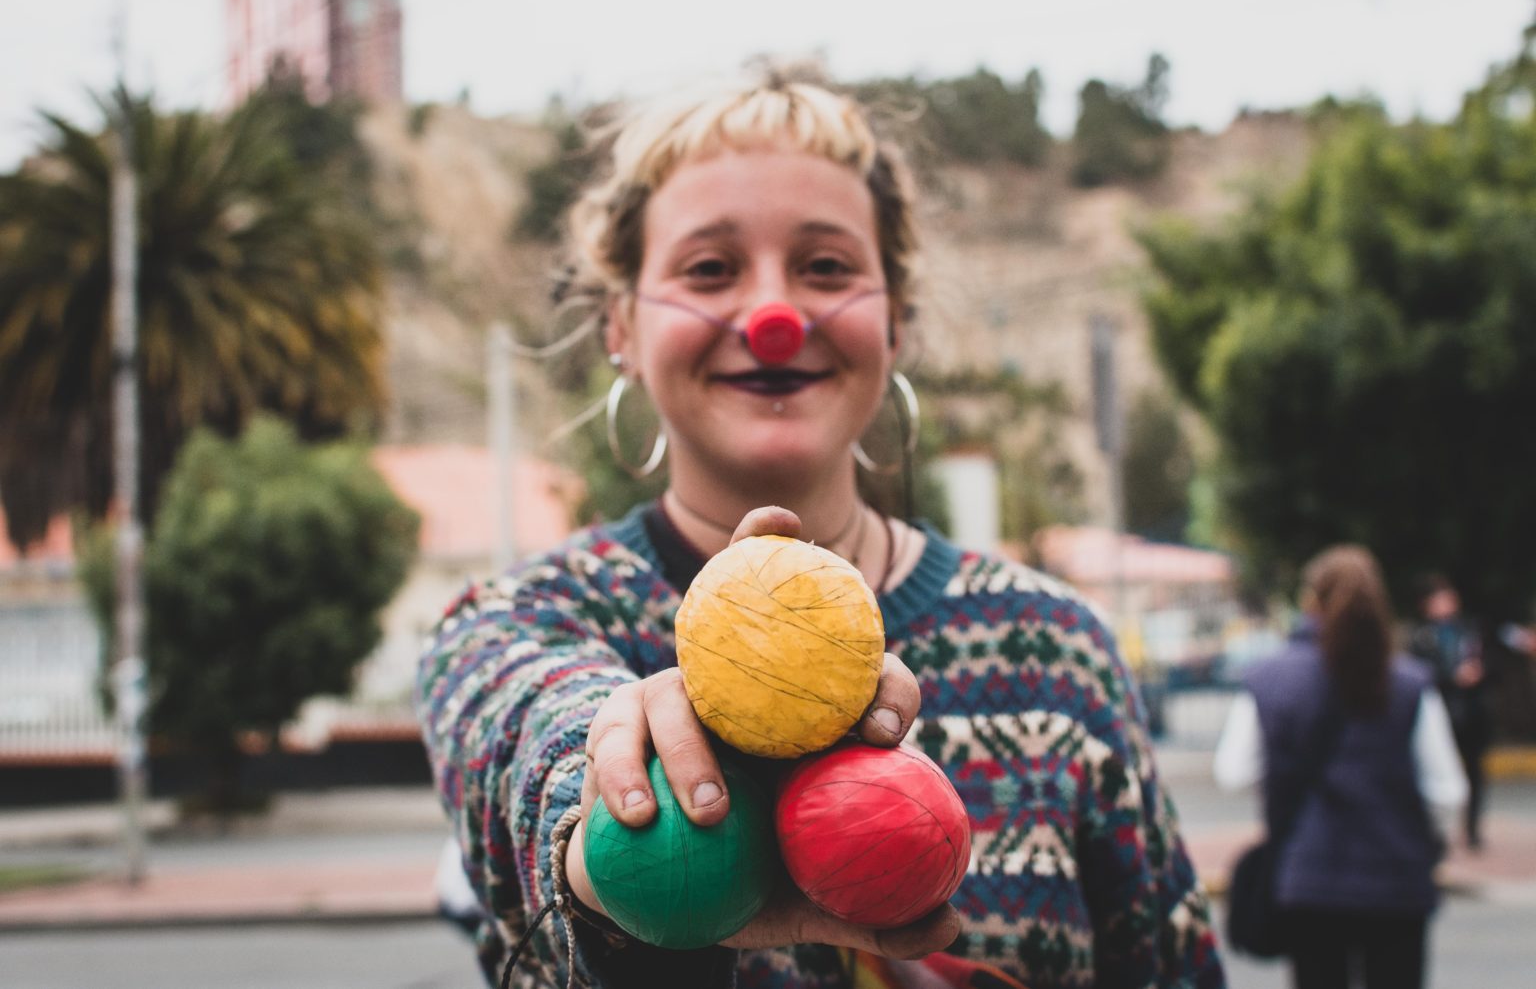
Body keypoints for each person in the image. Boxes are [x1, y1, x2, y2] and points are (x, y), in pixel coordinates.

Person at [416, 78, 1225, 989]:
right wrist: (620, 807)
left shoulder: (1058, 648)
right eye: (708, 269)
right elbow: (539, 735)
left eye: (828, 268)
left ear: (896, 321)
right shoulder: (506, 622)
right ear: (623, 328)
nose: (776, 318)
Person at [1213, 546, 1467, 989]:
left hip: (1308, 881)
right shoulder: (1409, 682)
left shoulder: (1270, 679)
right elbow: (1446, 791)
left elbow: (1233, 772)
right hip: (1397, 878)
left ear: (1310, 600)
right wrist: (1427, 843)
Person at [1406, 574, 1490, 850]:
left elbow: (1491, 663)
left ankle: (1473, 830)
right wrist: (1453, 676)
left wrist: (1479, 672)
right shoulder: (1421, 636)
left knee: (1475, 771)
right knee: (1440, 770)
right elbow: (1418, 673)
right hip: (1441, 712)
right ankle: (1440, 832)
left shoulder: (1470, 629)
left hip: (1472, 712)